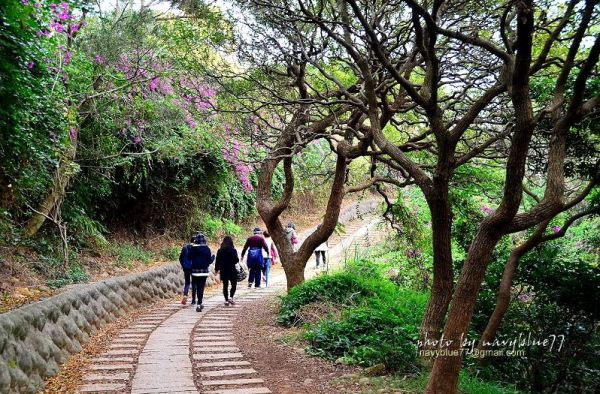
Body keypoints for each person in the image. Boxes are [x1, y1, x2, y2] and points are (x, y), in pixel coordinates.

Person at [189, 233, 214, 312]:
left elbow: (189, 257)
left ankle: (196, 301)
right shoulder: (206, 248)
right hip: (203, 272)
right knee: (201, 287)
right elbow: (209, 261)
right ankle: (199, 303)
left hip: (194, 271)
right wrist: (213, 257)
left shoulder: (192, 248)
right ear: (204, 240)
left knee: (195, 286)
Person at [215, 236, 240, 306]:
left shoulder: (220, 251)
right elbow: (236, 260)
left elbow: (217, 261)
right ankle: (231, 297)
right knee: (234, 284)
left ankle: (226, 300)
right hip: (232, 269)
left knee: (225, 285)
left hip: (223, 270)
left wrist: (216, 270)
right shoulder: (233, 250)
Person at [178, 235, 195, 305]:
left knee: (187, 282)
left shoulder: (185, 248)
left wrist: (183, 266)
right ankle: (193, 299)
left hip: (186, 268)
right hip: (194, 268)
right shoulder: (196, 249)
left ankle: (185, 295)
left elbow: (180, 258)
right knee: (194, 283)